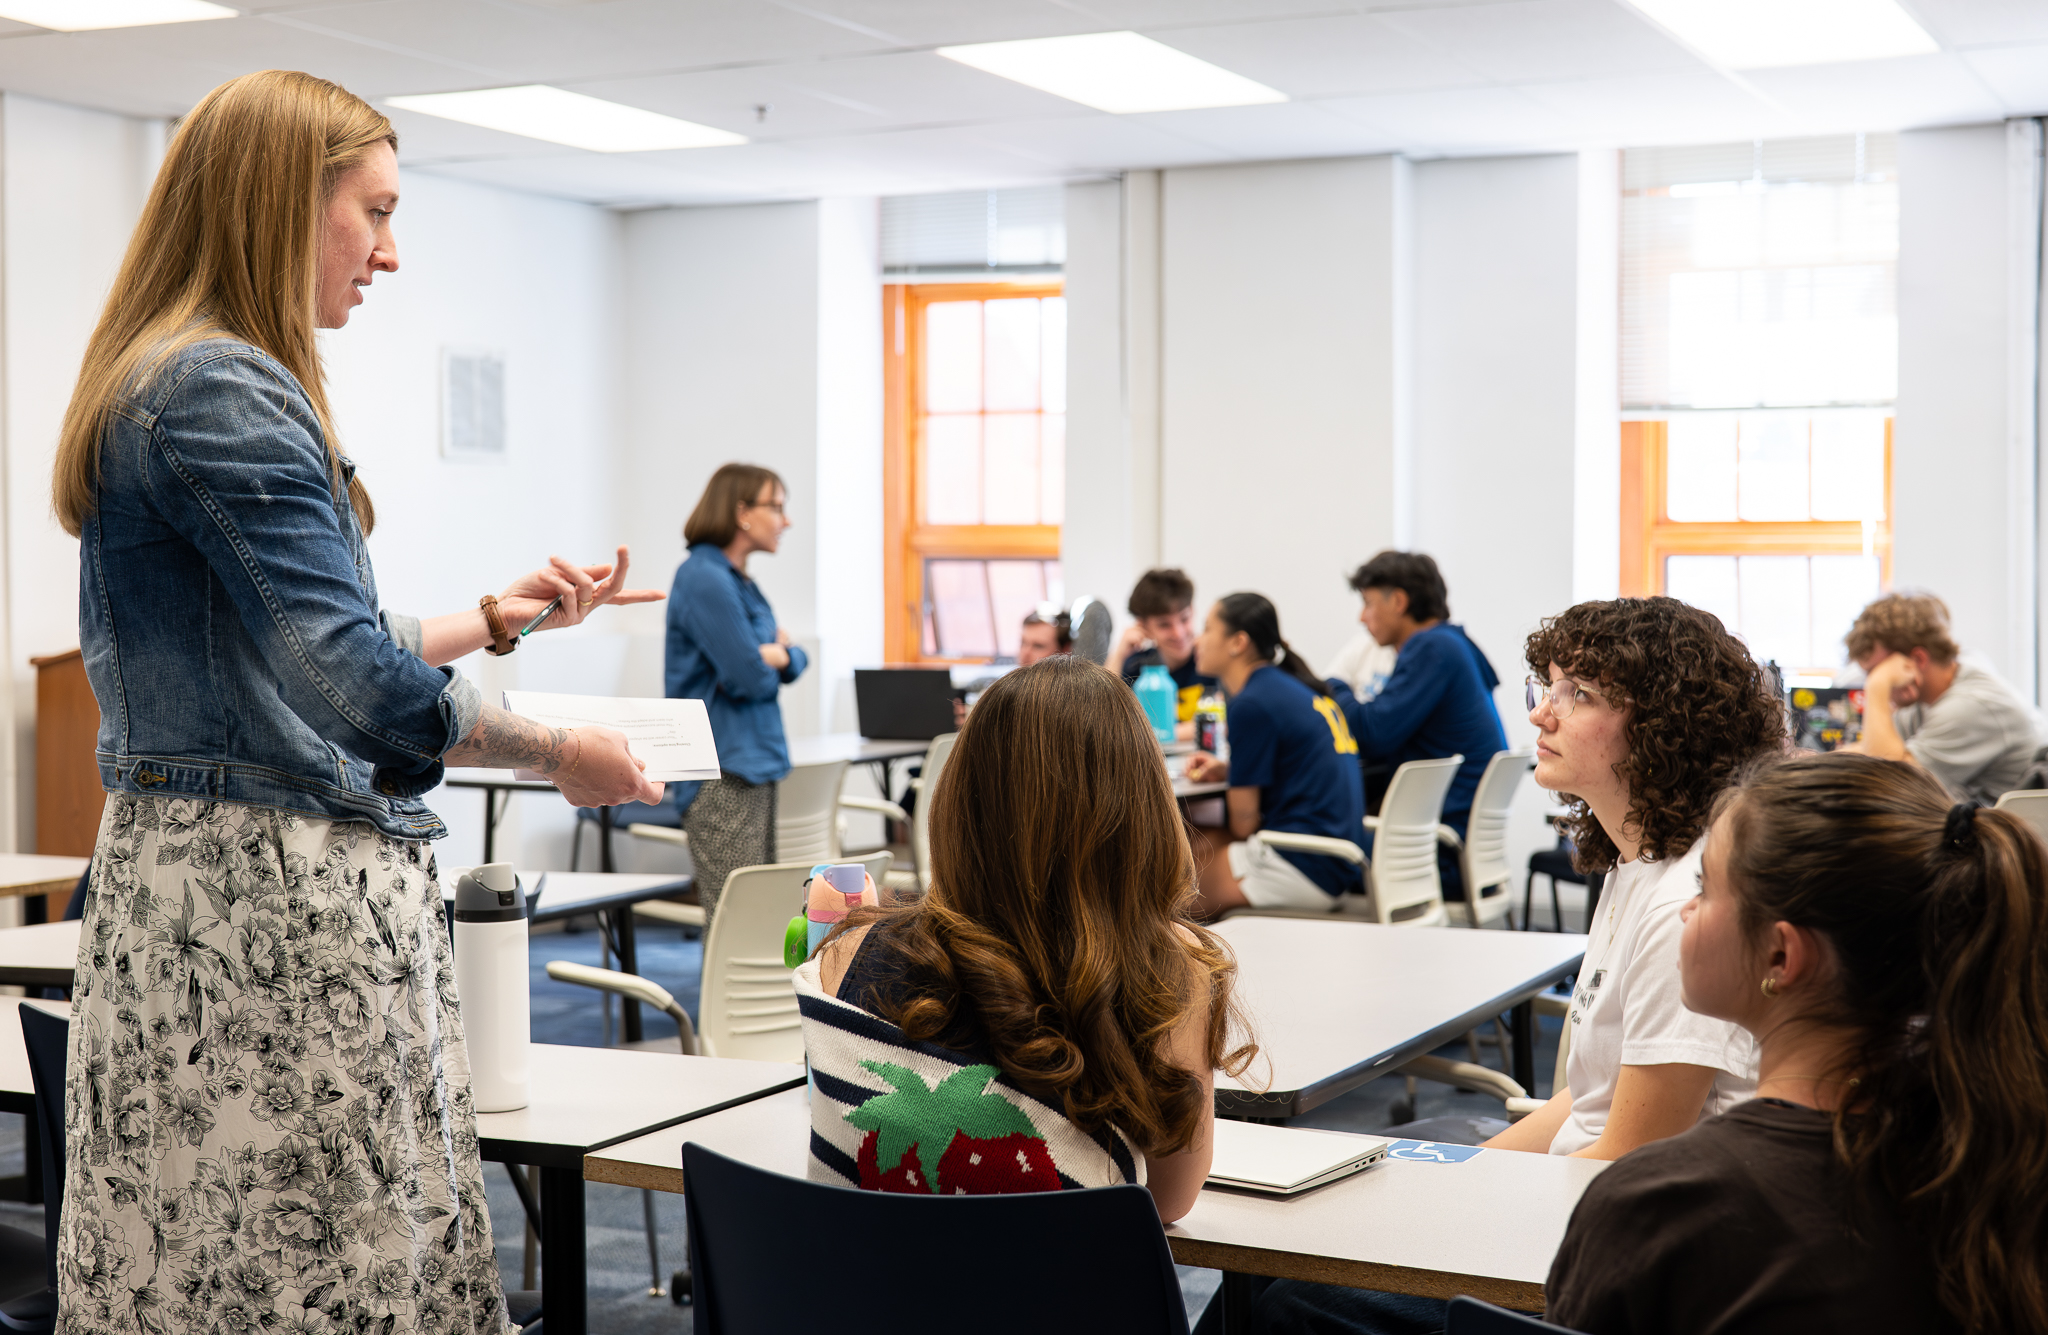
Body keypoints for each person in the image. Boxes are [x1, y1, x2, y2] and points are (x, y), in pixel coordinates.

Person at [51, 71, 663, 1335]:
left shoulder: (172, 374)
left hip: (206, 891)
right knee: (308, 1279)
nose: (390, 252)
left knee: (206, 1267)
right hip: (261, 912)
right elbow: (349, 681)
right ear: (282, 203)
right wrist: (559, 753)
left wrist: (490, 620)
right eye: (372, 212)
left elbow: (287, 650)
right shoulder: (220, 388)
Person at [1219, 598, 1778, 1335]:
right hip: (1580, 1204)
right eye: (1546, 686)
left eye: (1578, 694)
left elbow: (1626, 1166)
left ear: (1663, 724)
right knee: (1275, 1259)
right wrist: (1464, 1176)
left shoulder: (1687, 901)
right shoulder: (1633, 864)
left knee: (1291, 1295)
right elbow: (1586, 1097)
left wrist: (1449, 1211)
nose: (1542, 714)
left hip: (1619, 1255)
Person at [1545, 751, 2048, 1334]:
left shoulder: (1664, 1204)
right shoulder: (2004, 1160)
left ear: (1781, 956)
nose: (1685, 907)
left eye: (1706, 888)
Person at [794, 657, 1256, 1221]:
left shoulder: (848, 951)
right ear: (1143, 814)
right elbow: (1169, 1201)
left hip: (853, 1301)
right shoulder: (1171, 971)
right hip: (1056, 1304)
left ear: (960, 801)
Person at [666, 463, 806, 925]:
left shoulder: (739, 579)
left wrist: (782, 655)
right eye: (777, 507)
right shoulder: (704, 577)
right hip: (720, 769)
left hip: (754, 763)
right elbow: (750, 677)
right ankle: (721, 1003)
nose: (785, 521)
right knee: (736, 922)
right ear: (742, 512)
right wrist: (770, 656)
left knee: (761, 917)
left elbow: (789, 654)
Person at [1327, 552, 1507, 898]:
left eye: (1368, 603)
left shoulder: (1431, 648)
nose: (1362, 617)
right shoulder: (1455, 643)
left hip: (1439, 850)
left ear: (1398, 601)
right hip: (1457, 844)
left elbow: (1372, 732)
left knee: (1308, 846)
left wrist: (1333, 686)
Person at [1183, 594, 1366, 917]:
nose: (1199, 640)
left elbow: (1243, 824)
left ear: (1238, 642)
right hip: (1337, 860)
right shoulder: (1287, 687)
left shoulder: (1251, 703)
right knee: (1196, 846)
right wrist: (1231, 771)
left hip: (1302, 863)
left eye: (1207, 629)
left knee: (1172, 880)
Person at [1843, 591, 2045, 805]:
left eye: (1877, 671)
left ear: (1918, 659)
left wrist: (1876, 688)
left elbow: (1890, 781)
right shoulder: (1927, 694)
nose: (1873, 678)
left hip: (2018, 831)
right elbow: (1875, 751)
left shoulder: (1971, 705)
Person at [1107, 567, 1219, 735]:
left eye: (1184, 619)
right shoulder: (1134, 667)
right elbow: (1101, 716)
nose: (1179, 633)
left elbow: (1222, 721)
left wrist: (1153, 735)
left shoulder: (1212, 660)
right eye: (1164, 625)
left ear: (1193, 611)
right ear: (1144, 627)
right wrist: (1119, 653)